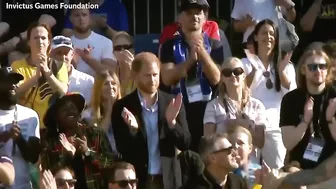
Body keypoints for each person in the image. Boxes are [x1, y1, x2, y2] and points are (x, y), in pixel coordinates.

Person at [112, 52, 191, 189]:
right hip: (138, 179)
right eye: (147, 75)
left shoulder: (172, 102)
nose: (153, 80)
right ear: (135, 76)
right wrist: (133, 130)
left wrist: (172, 123)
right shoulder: (123, 106)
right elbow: (122, 149)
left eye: (155, 74)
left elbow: (186, 142)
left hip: (167, 178)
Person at [160, 0, 224, 152]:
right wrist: (189, 61)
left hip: (207, 113)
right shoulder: (169, 45)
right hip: (181, 112)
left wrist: (201, 52)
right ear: (179, 18)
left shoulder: (215, 45)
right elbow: (167, 78)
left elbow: (217, 78)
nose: (194, 17)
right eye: (189, 13)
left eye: (198, 13)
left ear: (204, 18)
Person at [242, 19, 297, 169]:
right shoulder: (244, 63)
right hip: (250, 127)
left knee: (275, 172)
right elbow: (239, 93)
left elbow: (293, 97)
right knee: (250, 175)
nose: (268, 36)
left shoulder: (286, 65)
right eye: (264, 33)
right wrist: (253, 70)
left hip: (275, 127)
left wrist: (280, 71)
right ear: (255, 37)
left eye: (272, 33)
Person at [41, 93, 116, 189]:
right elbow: (47, 176)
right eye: (64, 109)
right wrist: (67, 157)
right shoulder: (49, 140)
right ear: (56, 117)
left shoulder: (95, 134)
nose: (70, 111)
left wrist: (88, 152)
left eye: (72, 107)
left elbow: (111, 164)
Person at [280, 49, 336, 170]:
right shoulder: (291, 100)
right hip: (300, 165)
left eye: (322, 66)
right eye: (312, 67)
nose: (318, 71)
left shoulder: (334, 97)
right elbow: (288, 143)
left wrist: (330, 120)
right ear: (303, 70)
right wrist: (305, 121)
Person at [11, 22, 69, 129]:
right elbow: (15, 94)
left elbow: (62, 91)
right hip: (25, 125)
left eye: (43, 38)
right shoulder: (17, 65)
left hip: (51, 127)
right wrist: (35, 77)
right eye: (36, 37)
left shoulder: (59, 65)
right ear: (29, 42)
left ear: (49, 42)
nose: (40, 41)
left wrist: (47, 72)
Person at [0, 67, 40, 188]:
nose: (13, 85)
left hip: (24, 185)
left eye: (15, 82)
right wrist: (5, 137)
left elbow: (33, 158)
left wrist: (19, 140)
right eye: (7, 81)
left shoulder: (30, 115)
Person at [182, 133, 247, 189]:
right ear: (212, 158)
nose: (235, 153)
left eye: (233, 149)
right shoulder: (195, 186)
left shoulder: (239, 183)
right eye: (229, 150)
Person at [50, 35, 94, 104]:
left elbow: (89, 110)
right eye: (58, 53)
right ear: (49, 54)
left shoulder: (87, 81)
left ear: (72, 54)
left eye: (66, 53)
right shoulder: (42, 78)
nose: (63, 57)